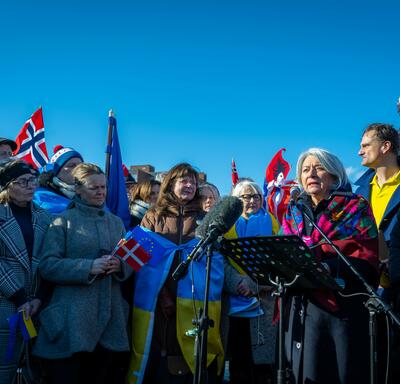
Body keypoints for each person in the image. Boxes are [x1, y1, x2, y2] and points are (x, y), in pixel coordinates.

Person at [281, 148, 379, 383]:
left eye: (319, 167)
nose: (311, 173)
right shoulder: (294, 211)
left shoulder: (355, 206)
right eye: (305, 170)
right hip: (303, 306)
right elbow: (284, 251)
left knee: (343, 374)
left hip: (343, 307)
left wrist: (327, 266)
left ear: (335, 175)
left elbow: (368, 259)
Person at [33, 163, 131, 384]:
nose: (101, 192)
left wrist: (121, 266)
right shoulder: (62, 221)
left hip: (110, 323)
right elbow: (48, 265)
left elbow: (129, 260)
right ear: (78, 189)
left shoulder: (116, 223)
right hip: (71, 324)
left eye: (103, 187)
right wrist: (88, 267)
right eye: (94, 187)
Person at [127, 163, 224, 384]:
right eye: (183, 180)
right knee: (158, 355)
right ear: (171, 183)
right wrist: (162, 296)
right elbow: (141, 263)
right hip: (157, 304)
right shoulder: (153, 216)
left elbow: (216, 261)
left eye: (193, 182)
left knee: (190, 356)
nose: (189, 185)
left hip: (195, 302)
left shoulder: (205, 219)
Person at [0, 160, 51, 383]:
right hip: (6, 302)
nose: (31, 186)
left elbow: (50, 260)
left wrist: (39, 298)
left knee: (31, 371)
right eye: (23, 181)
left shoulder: (45, 217)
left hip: (36, 306)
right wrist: (20, 296)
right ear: (6, 186)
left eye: (33, 180)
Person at [223, 180, 279, 384]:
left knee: (263, 368)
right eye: (246, 196)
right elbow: (220, 260)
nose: (253, 200)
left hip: (264, 300)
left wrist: (254, 284)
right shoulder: (226, 225)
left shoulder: (272, 222)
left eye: (256, 196)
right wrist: (237, 282)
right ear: (235, 200)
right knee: (239, 363)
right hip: (234, 300)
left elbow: (279, 259)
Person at [33, 145, 83, 214]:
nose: (79, 169)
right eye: (71, 165)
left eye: (81, 166)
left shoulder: (94, 195)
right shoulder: (39, 197)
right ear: (57, 173)